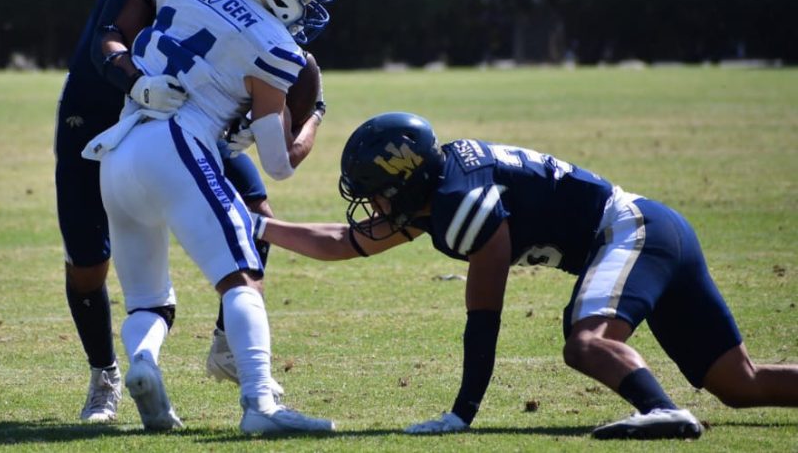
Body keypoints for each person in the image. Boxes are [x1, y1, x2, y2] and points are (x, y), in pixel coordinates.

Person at [256, 112, 798, 440]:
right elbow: (343, 241)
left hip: (634, 230)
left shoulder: (464, 204)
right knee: (739, 384)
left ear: (402, 183)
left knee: (587, 343)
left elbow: (484, 316)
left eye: (373, 191)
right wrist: (260, 226)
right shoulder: (439, 191)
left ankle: (663, 411)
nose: (370, 205)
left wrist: (462, 412)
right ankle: (666, 408)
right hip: (654, 229)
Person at [54, 0, 323, 424]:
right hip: (114, 119)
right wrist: (310, 116)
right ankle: (249, 400)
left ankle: (201, 353)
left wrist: (235, 124)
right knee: (101, 262)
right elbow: (107, 37)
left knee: (234, 233)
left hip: (134, 144)